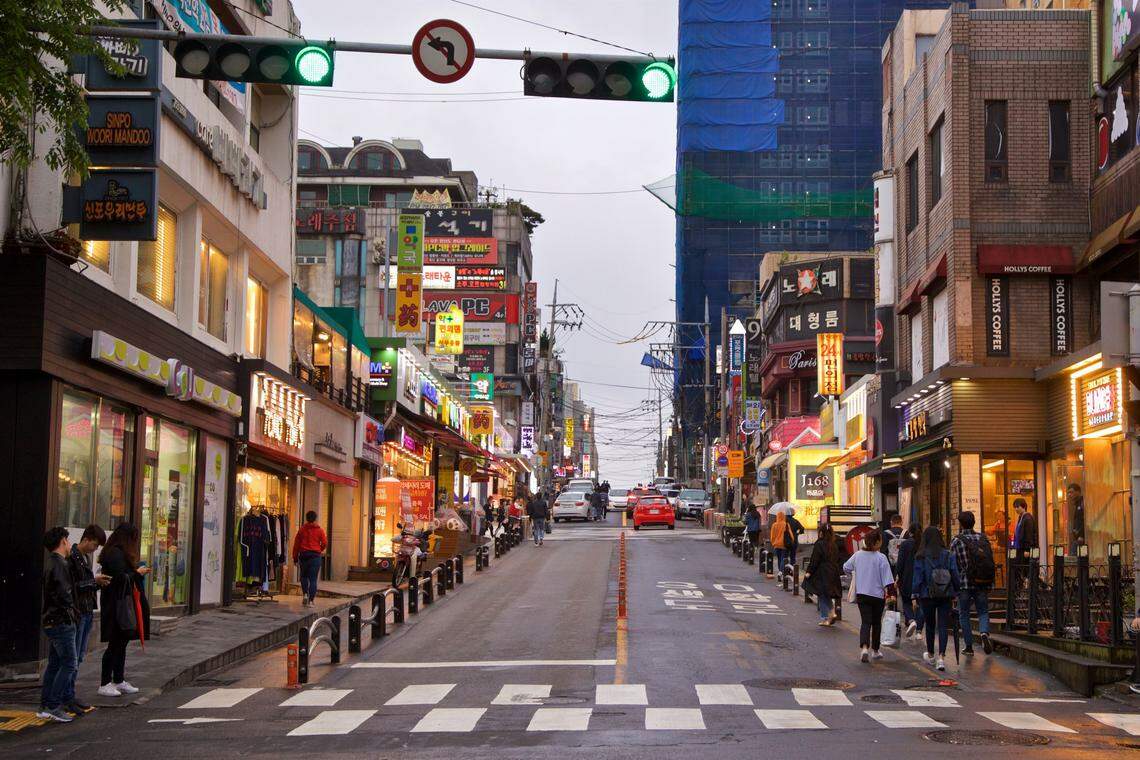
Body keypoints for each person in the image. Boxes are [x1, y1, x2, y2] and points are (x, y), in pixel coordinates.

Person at [97, 523, 150, 698]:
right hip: (117, 604)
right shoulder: (115, 553)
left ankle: (118, 679)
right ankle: (105, 682)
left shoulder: (116, 552)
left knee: (122, 642)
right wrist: (137, 573)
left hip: (121, 602)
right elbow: (119, 578)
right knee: (115, 643)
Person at [67, 525, 110, 712]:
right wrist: (94, 581)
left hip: (86, 611)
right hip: (78, 611)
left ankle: (70, 694)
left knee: (79, 655)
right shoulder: (72, 558)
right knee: (73, 657)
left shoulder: (84, 557)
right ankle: (67, 696)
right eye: (95, 544)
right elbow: (73, 587)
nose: (95, 548)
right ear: (86, 539)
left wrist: (97, 583)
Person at [39, 527, 79, 723]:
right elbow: (65, 595)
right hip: (62, 621)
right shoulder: (60, 564)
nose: (69, 545)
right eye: (68, 541)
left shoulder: (51, 563)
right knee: (69, 663)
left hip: (51, 620)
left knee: (55, 663)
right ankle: (53, 705)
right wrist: (73, 611)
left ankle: (46, 705)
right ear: (63, 541)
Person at [912, 525, 961, 671]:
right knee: (943, 625)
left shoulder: (921, 556)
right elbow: (954, 574)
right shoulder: (948, 554)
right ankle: (941, 658)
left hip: (927, 594)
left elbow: (918, 577)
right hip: (945, 593)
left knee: (930, 625)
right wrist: (956, 592)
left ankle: (931, 654)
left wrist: (915, 594)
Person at [842, 529, 896, 662]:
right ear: (877, 542)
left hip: (862, 594)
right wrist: (892, 594)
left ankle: (864, 648)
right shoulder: (881, 557)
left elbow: (846, 567)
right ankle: (875, 651)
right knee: (876, 623)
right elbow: (888, 580)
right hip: (877, 595)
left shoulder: (858, 555)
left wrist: (854, 575)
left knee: (865, 622)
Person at [950, 511, 995, 656]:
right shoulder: (983, 538)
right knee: (983, 611)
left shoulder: (957, 541)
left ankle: (969, 647)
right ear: (974, 522)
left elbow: (953, 565)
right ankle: (984, 633)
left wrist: (953, 585)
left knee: (964, 613)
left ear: (961, 524)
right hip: (982, 581)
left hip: (964, 583)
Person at [804, 523, 842, 626]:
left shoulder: (819, 544)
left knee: (821, 594)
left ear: (821, 532)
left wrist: (809, 571)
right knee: (826, 594)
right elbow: (838, 558)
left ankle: (826, 617)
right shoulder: (834, 545)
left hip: (822, 572)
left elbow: (815, 559)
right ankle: (832, 612)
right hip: (833, 571)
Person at [292, 511, 327, 607]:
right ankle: (311, 601)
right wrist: (319, 549)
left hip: (304, 555)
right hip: (315, 556)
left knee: (303, 576)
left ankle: (305, 595)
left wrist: (295, 558)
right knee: (313, 579)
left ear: (306, 518)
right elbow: (324, 543)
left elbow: (296, 545)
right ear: (315, 519)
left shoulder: (302, 530)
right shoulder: (320, 530)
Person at [896, 522, 925, 642]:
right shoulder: (925, 543)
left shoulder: (905, 544)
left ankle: (911, 620)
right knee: (921, 603)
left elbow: (900, 563)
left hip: (907, 577)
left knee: (907, 601)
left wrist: (898, 576)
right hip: (922, 577)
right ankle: (919, 632)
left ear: (910, 532)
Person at [769, 511, 791, 576]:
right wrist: (791, 541)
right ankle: (781, 572)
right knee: (783, 558)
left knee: (779, 558)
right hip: (784, 544)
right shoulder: (786, 524)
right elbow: (790, 534)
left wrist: (773, 543)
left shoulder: (774, 525)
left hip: (776, 545)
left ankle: (780, 571)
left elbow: (772, 536)